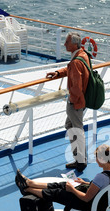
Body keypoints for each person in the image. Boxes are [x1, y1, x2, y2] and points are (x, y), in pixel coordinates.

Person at [15, 144, 110, 211]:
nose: (96, 160)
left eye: (97, 158)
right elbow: (101, 186)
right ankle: (30, 183)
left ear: (102, 159)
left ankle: (27, 189)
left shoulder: (101, 176)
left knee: (57, 192)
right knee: (62, 184)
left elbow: (86, 198)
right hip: (101, 203)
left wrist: (72, 190)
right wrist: (85, 183)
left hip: (91, 205)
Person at [46, 32, 90, 172]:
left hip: (75, 103)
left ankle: (81, 161)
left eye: (67, 42)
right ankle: (79, 158)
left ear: (75, 44)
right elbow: (71, 69)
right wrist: (58, 72)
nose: (64, 45)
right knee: (71, 126)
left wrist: (72, 100)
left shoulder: (77, 61)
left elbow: (76, 87)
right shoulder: (82, 55)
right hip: (81, 102)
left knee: (77, 130)